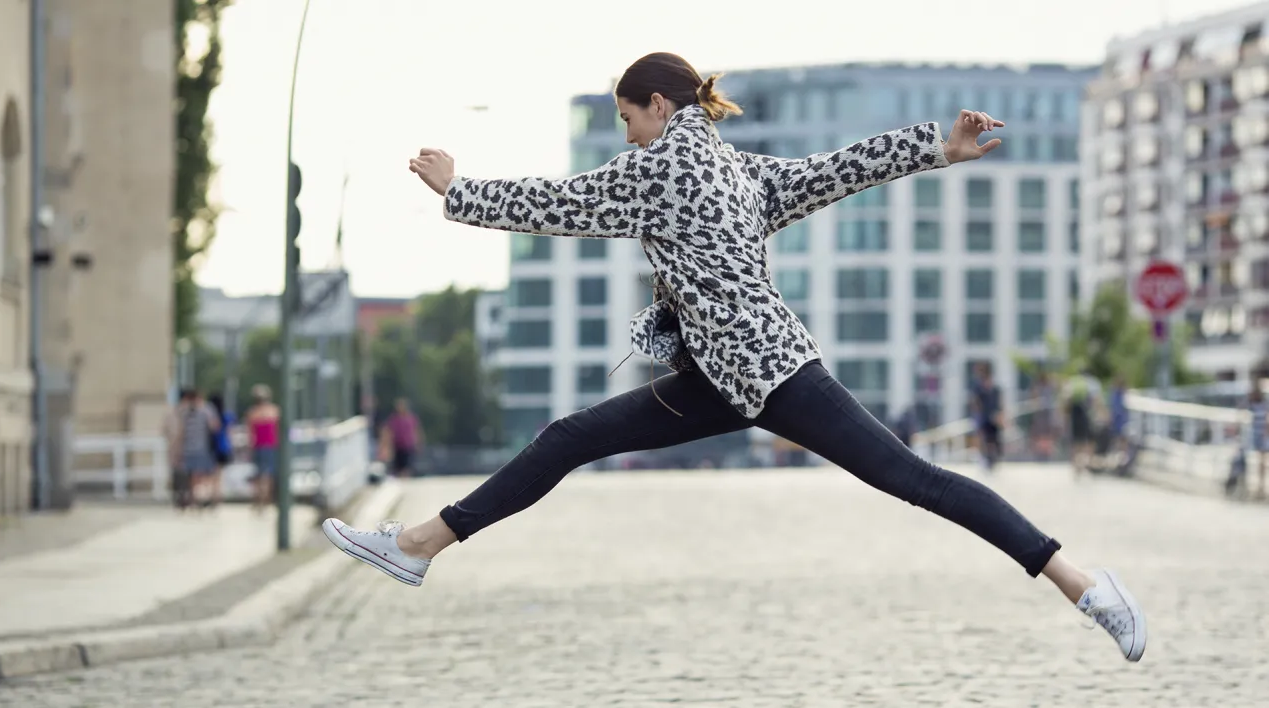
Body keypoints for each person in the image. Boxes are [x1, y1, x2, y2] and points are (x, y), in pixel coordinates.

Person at [322, 52, 1146, 662]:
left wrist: (458, 190)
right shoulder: (737, 170)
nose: (627, 135)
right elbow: (835, 171)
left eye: (625, 119)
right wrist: (936, 146)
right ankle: (419, 546)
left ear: (654, 106)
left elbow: (560, 202)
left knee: (916, 481)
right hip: (720, 380)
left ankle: (1085, 584)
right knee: (569, 437)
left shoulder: (663, 167)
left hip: (776, 377)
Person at [246, 384, 281, 511]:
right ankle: (266, 499)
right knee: (268, 475)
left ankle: (259, 499)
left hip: (258, 446)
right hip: (271, 446)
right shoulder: (274, 411)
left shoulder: (252, 413)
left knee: (259, 475)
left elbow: (250, 433)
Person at [970, 363, 1003, 471]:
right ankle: (986, 459)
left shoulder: (994, 388)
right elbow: (976, 403)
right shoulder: (978, 388)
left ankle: (992, 459)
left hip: (992, 417)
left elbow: (998, 403)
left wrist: (1000, 415)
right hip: (984, 417)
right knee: (985, 438)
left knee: (993, 439)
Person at [383, 398, 424, 477]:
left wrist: (419, 443)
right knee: (398, 467)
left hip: (408, 445)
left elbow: (416, 431)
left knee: (407, 466)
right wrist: (387, 446)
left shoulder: (411, 418)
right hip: (397, 445)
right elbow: (388, 432)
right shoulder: (394, 419)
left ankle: (405, 479)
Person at [207, 393, 234, 508]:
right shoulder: (226, 416)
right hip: (223, 447)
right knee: (219, 475)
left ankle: (214, 496)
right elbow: (229, 431)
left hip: (213, 447)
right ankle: (217, 496)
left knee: (213, 474)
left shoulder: (211, 417)